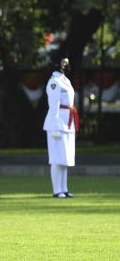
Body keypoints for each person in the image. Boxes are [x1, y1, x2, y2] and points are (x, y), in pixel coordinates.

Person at [43, 55, 77, 198]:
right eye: (63, 63)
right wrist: (55, 124)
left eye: (67, 63)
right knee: (57, 158)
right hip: (58, 122)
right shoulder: (54, 82)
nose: (66, 65)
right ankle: (57, 190)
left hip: (67, 120)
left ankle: (64, 188)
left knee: (65, 158)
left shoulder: (65, 80)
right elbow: (54, 105)